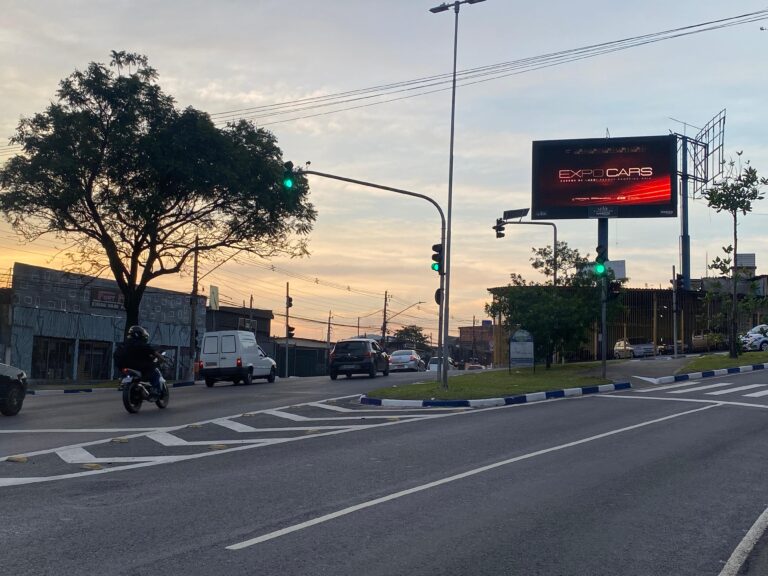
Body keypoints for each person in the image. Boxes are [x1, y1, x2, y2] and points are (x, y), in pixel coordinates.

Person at [114, 325, 165, 397]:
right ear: (139, 334)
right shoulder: (140, 344)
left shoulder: (124, 344)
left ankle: (134, 388)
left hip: (124, 367)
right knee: (155, 373)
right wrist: (162, 358)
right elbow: (152, 351)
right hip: (138, 367)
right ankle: (155, 389)